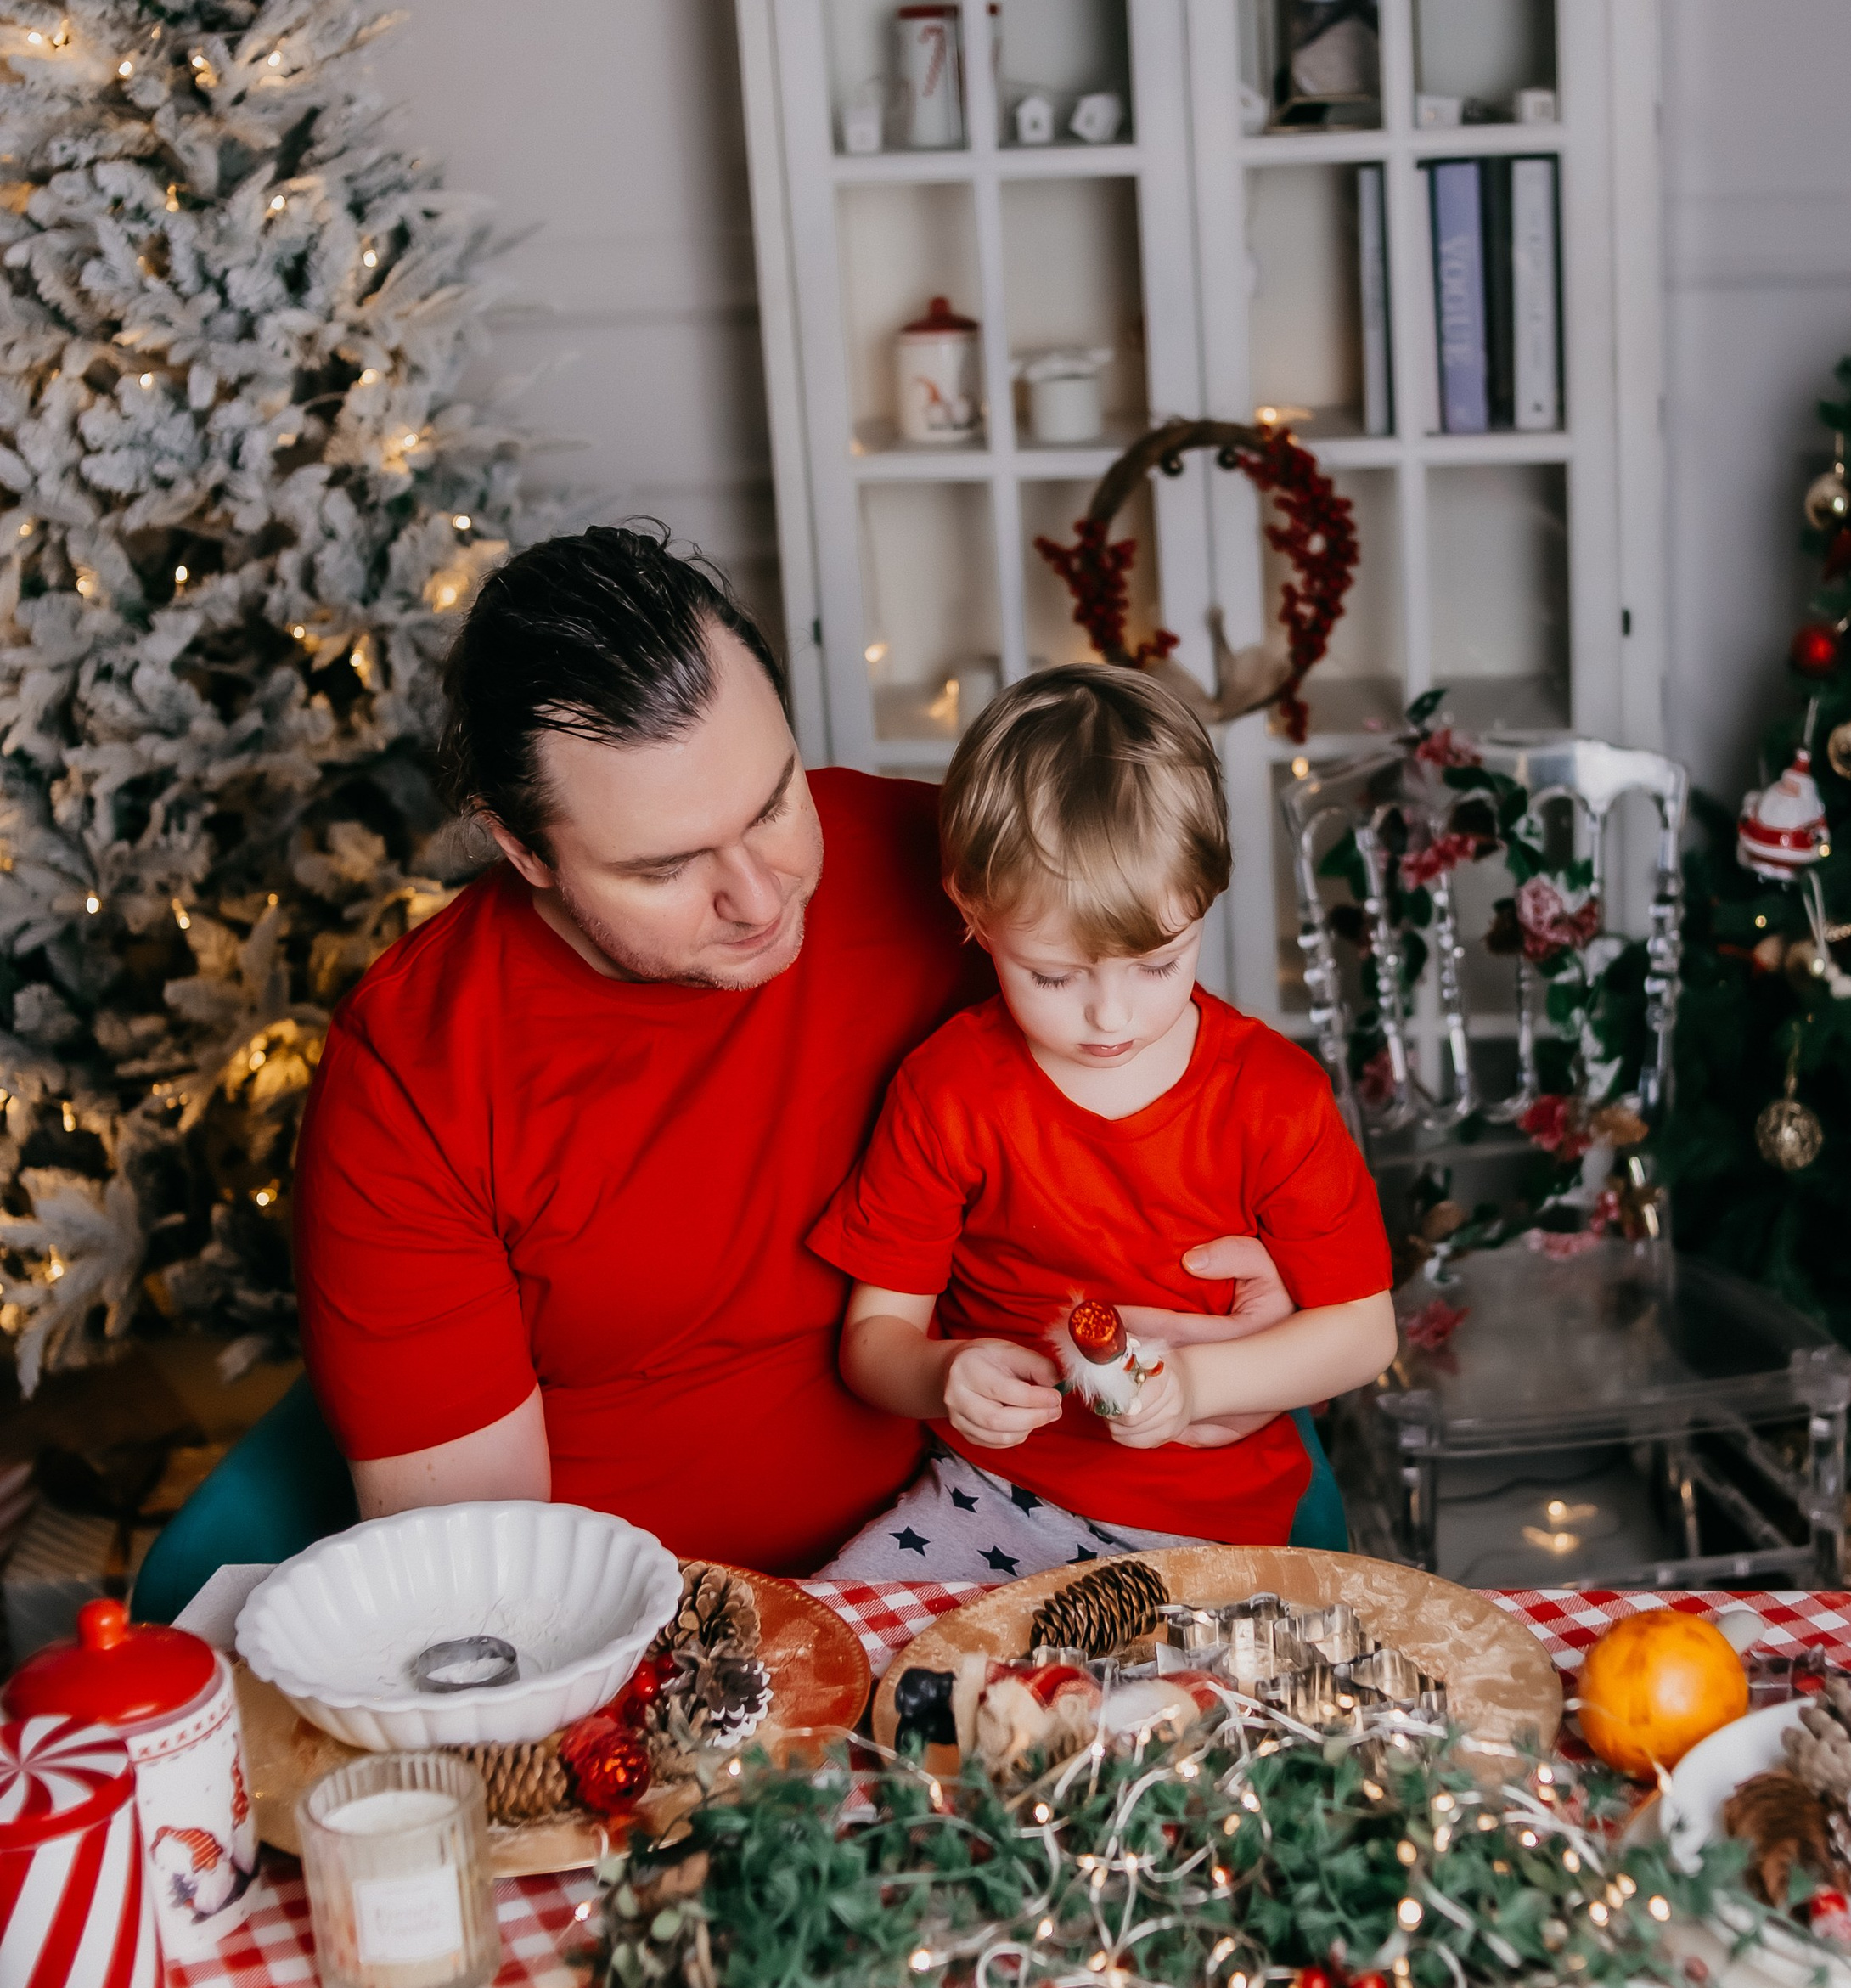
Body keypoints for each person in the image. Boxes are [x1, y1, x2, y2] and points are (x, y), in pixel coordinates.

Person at [287, 527, 1291, 1575]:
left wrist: (1264, 1295)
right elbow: (472, 1569)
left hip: (1024, 1550)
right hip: (664, 1638)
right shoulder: (416, 1067)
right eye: (665, 866)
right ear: (523, 849)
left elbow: (1193, 1106)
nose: (761, 898)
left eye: (773, 802)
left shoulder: (953, 870)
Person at [812, 665, 1396, 1580]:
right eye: (1054, 975)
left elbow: (1364, 1332)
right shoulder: (949, 1090)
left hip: (1216, 1524)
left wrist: (1197, 1385)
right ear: (972, 913)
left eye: (1157, 963)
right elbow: (872, 1341)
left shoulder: (1272, 1097)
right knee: (834, 1650)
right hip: (990, 1499)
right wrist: (941, 1374)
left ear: (1204, 900)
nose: (1110, 1018)